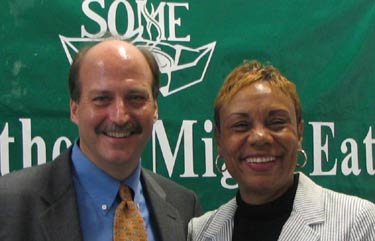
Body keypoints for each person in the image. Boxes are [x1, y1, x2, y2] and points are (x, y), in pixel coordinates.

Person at [0, 39, 202, 241]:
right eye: (101, 99)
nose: (119, 116)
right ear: (74, 109)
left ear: (155, 108)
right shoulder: (8, 204)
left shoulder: (184, 208)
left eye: (136, 98)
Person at [188, 60, 375, 241]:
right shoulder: (200, 232)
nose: (260, 137)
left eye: (276, 122)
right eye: (241, 125)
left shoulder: (358, 221)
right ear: (219, 140)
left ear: (299, 132)